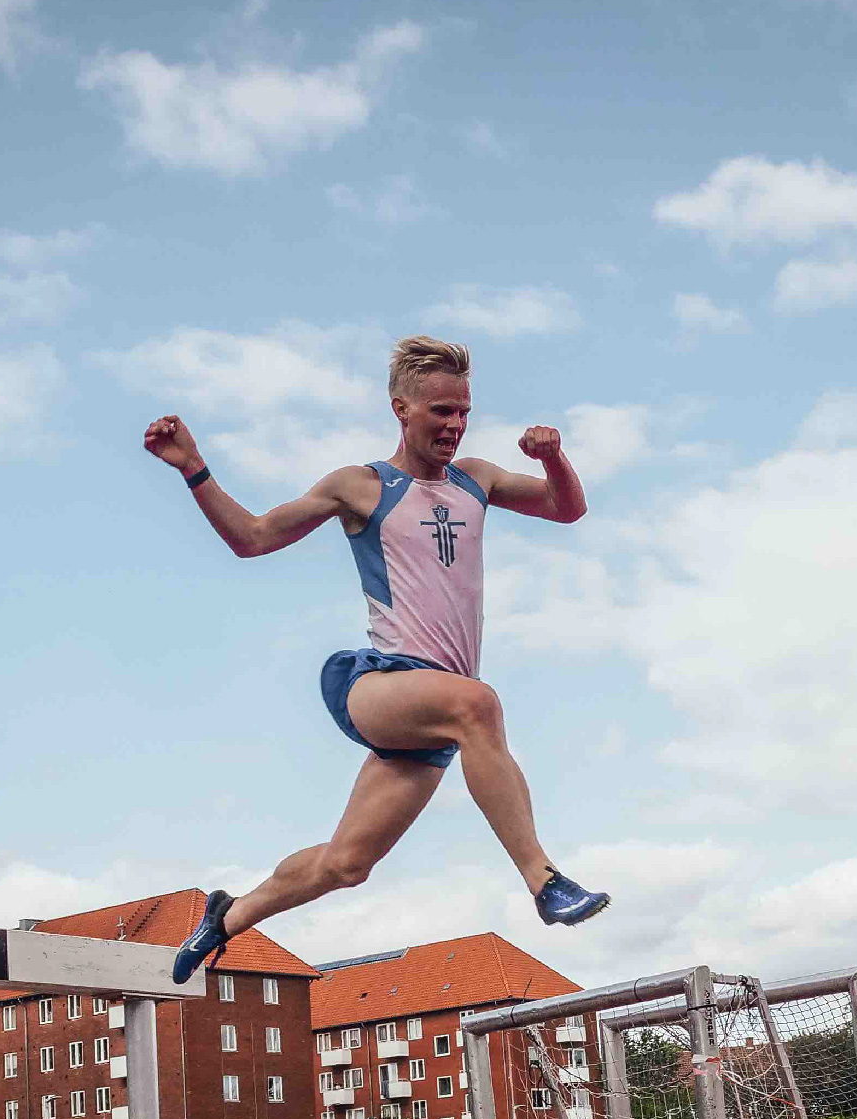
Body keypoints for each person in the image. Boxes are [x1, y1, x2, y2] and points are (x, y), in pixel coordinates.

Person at [143, 336, 609, 985]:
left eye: (463, 412)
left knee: (346, 864)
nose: (453, 425)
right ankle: (546, 882)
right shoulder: (362, 487)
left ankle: (224, 917)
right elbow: (251, 539)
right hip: (376, 684)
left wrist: (555, 458)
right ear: (402, 408)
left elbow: (567, 508)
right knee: (478, 703)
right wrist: (194, 469)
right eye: (440, 411)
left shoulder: (478, 479)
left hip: (436, 713)